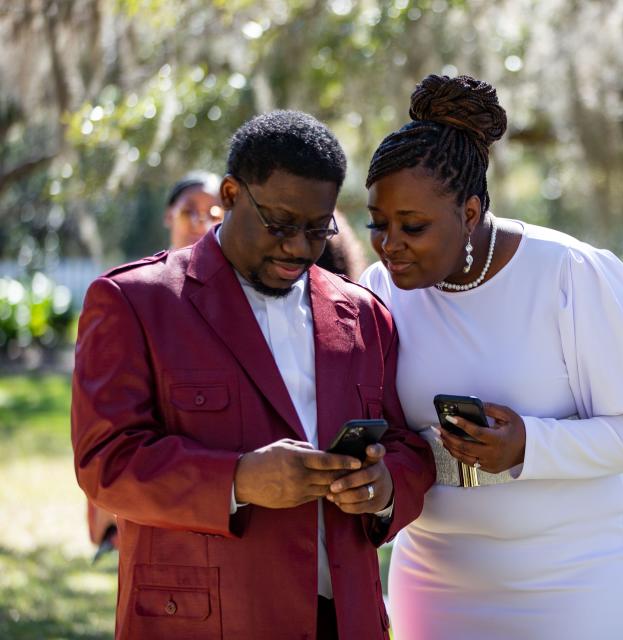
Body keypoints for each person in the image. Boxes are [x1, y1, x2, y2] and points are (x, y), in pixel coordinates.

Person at [71, 110, 435, 639]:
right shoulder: (135, 301)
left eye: (317, 229)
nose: (298, 248)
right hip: (207, 622)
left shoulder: (364, 315)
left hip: (346, 620)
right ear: (232, 194)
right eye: (281, 224)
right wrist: (238, 480)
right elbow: (105, 463)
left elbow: (408, 447)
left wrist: (384, 488)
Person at [358, 74, 623, 640]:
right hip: (435, 577)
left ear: (468, 213)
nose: (390, 245)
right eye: (377, 224)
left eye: (412, 227)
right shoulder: (379, 291)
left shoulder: (570, 274)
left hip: (571, 580)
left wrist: (529, 446)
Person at [86, 170, 226, 559]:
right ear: (169, 216)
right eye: (190, 211)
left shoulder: (233, 294)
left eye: (214, 211)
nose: (202, 222)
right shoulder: (135, 289)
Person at [163, 170, 224, 249]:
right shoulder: (150, 261)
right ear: (169, 215)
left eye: (214, 216)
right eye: (188, 212)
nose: (200, 225)